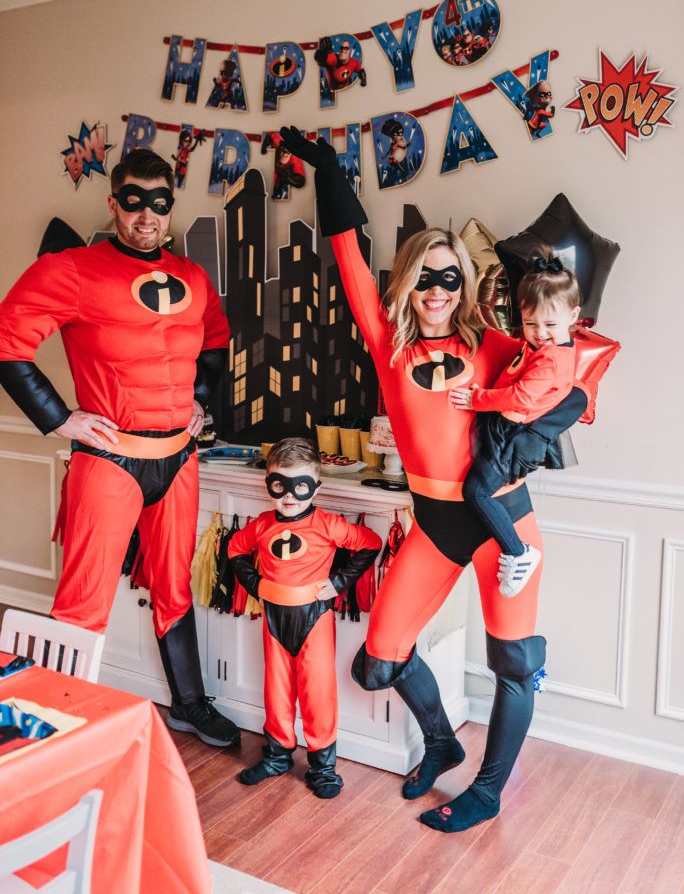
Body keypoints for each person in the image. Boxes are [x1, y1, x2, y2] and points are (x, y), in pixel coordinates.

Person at [277, 126, 587, 833]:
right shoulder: (388, 345)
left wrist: (543, 425)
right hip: (435, 526)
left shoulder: (497, 345)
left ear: (466, 285)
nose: (440, 289)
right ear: (408, 282)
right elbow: (349, 256)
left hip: (501, 522)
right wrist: (329, 171)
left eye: (453, 277)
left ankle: (487, 791)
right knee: (380, 660)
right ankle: (441, 739)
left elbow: (572, 370)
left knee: (514, 659)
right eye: (427, 277)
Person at [0, 148, 240, 749]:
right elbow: (6, 341)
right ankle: (48, 723)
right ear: (114, 202)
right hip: (109, 458)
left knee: (173, 586)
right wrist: (60, 421)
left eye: (159, 203)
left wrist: (200, 400)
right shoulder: (73, 269)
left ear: (169, 206)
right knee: (82, 599)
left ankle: (188, 704)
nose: (146, 215)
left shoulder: (191, 277)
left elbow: (214, 340)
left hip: (179, 456)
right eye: (133, 200)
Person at [228, 437, 382, 798]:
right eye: (279, 485)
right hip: (274, 617)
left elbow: (370, 543)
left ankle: (323, 766)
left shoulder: (328, 525)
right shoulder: (263, 525)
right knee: (277, 689)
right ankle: (278, 754)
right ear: (269, 481)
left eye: (301, 487)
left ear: (316, 486)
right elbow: (236, 549)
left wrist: (339, 582)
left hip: (315, 617)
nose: (290, 496)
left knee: (318, 691)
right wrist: (255, 585)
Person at [451, 251, 580, 597]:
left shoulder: (551, 360)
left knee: (475, 491)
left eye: (550, 325)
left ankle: (518, 552)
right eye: (531, 323)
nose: (540, 333)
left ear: (573, 317)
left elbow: (521, 397)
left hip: (509, 434)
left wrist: (478, 398)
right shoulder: (540, 347)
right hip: (503, 428)